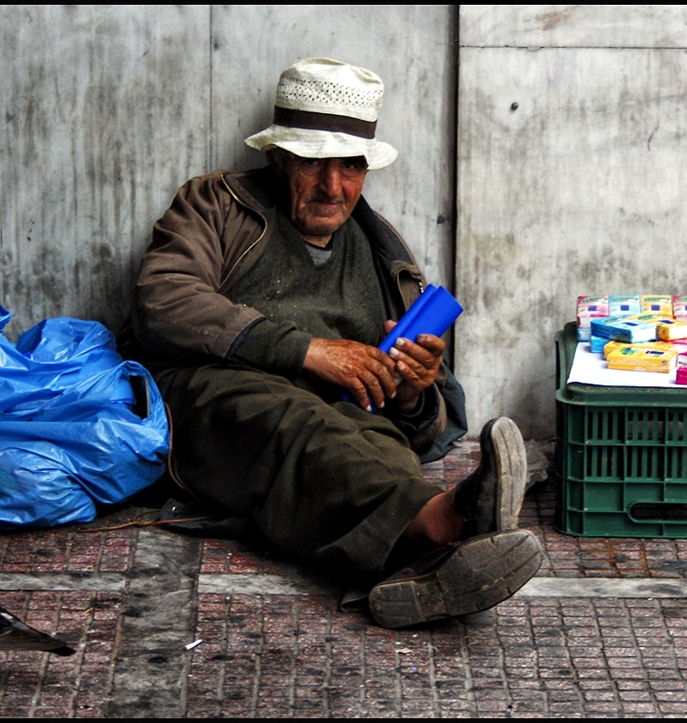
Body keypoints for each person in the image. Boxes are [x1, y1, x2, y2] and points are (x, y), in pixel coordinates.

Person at [122, 57, 541, 628]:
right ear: (277, 157)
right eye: (313, 164)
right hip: (207, 396)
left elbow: (427, 422)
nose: (333, 187)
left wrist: (413, 391)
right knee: (293, 418)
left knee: (375, 440)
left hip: (331, 412)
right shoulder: (218, 204)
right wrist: (308, 351)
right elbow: (162, 300)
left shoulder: (380, 248)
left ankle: (420, 569)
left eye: (351, 166)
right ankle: (448, 524)